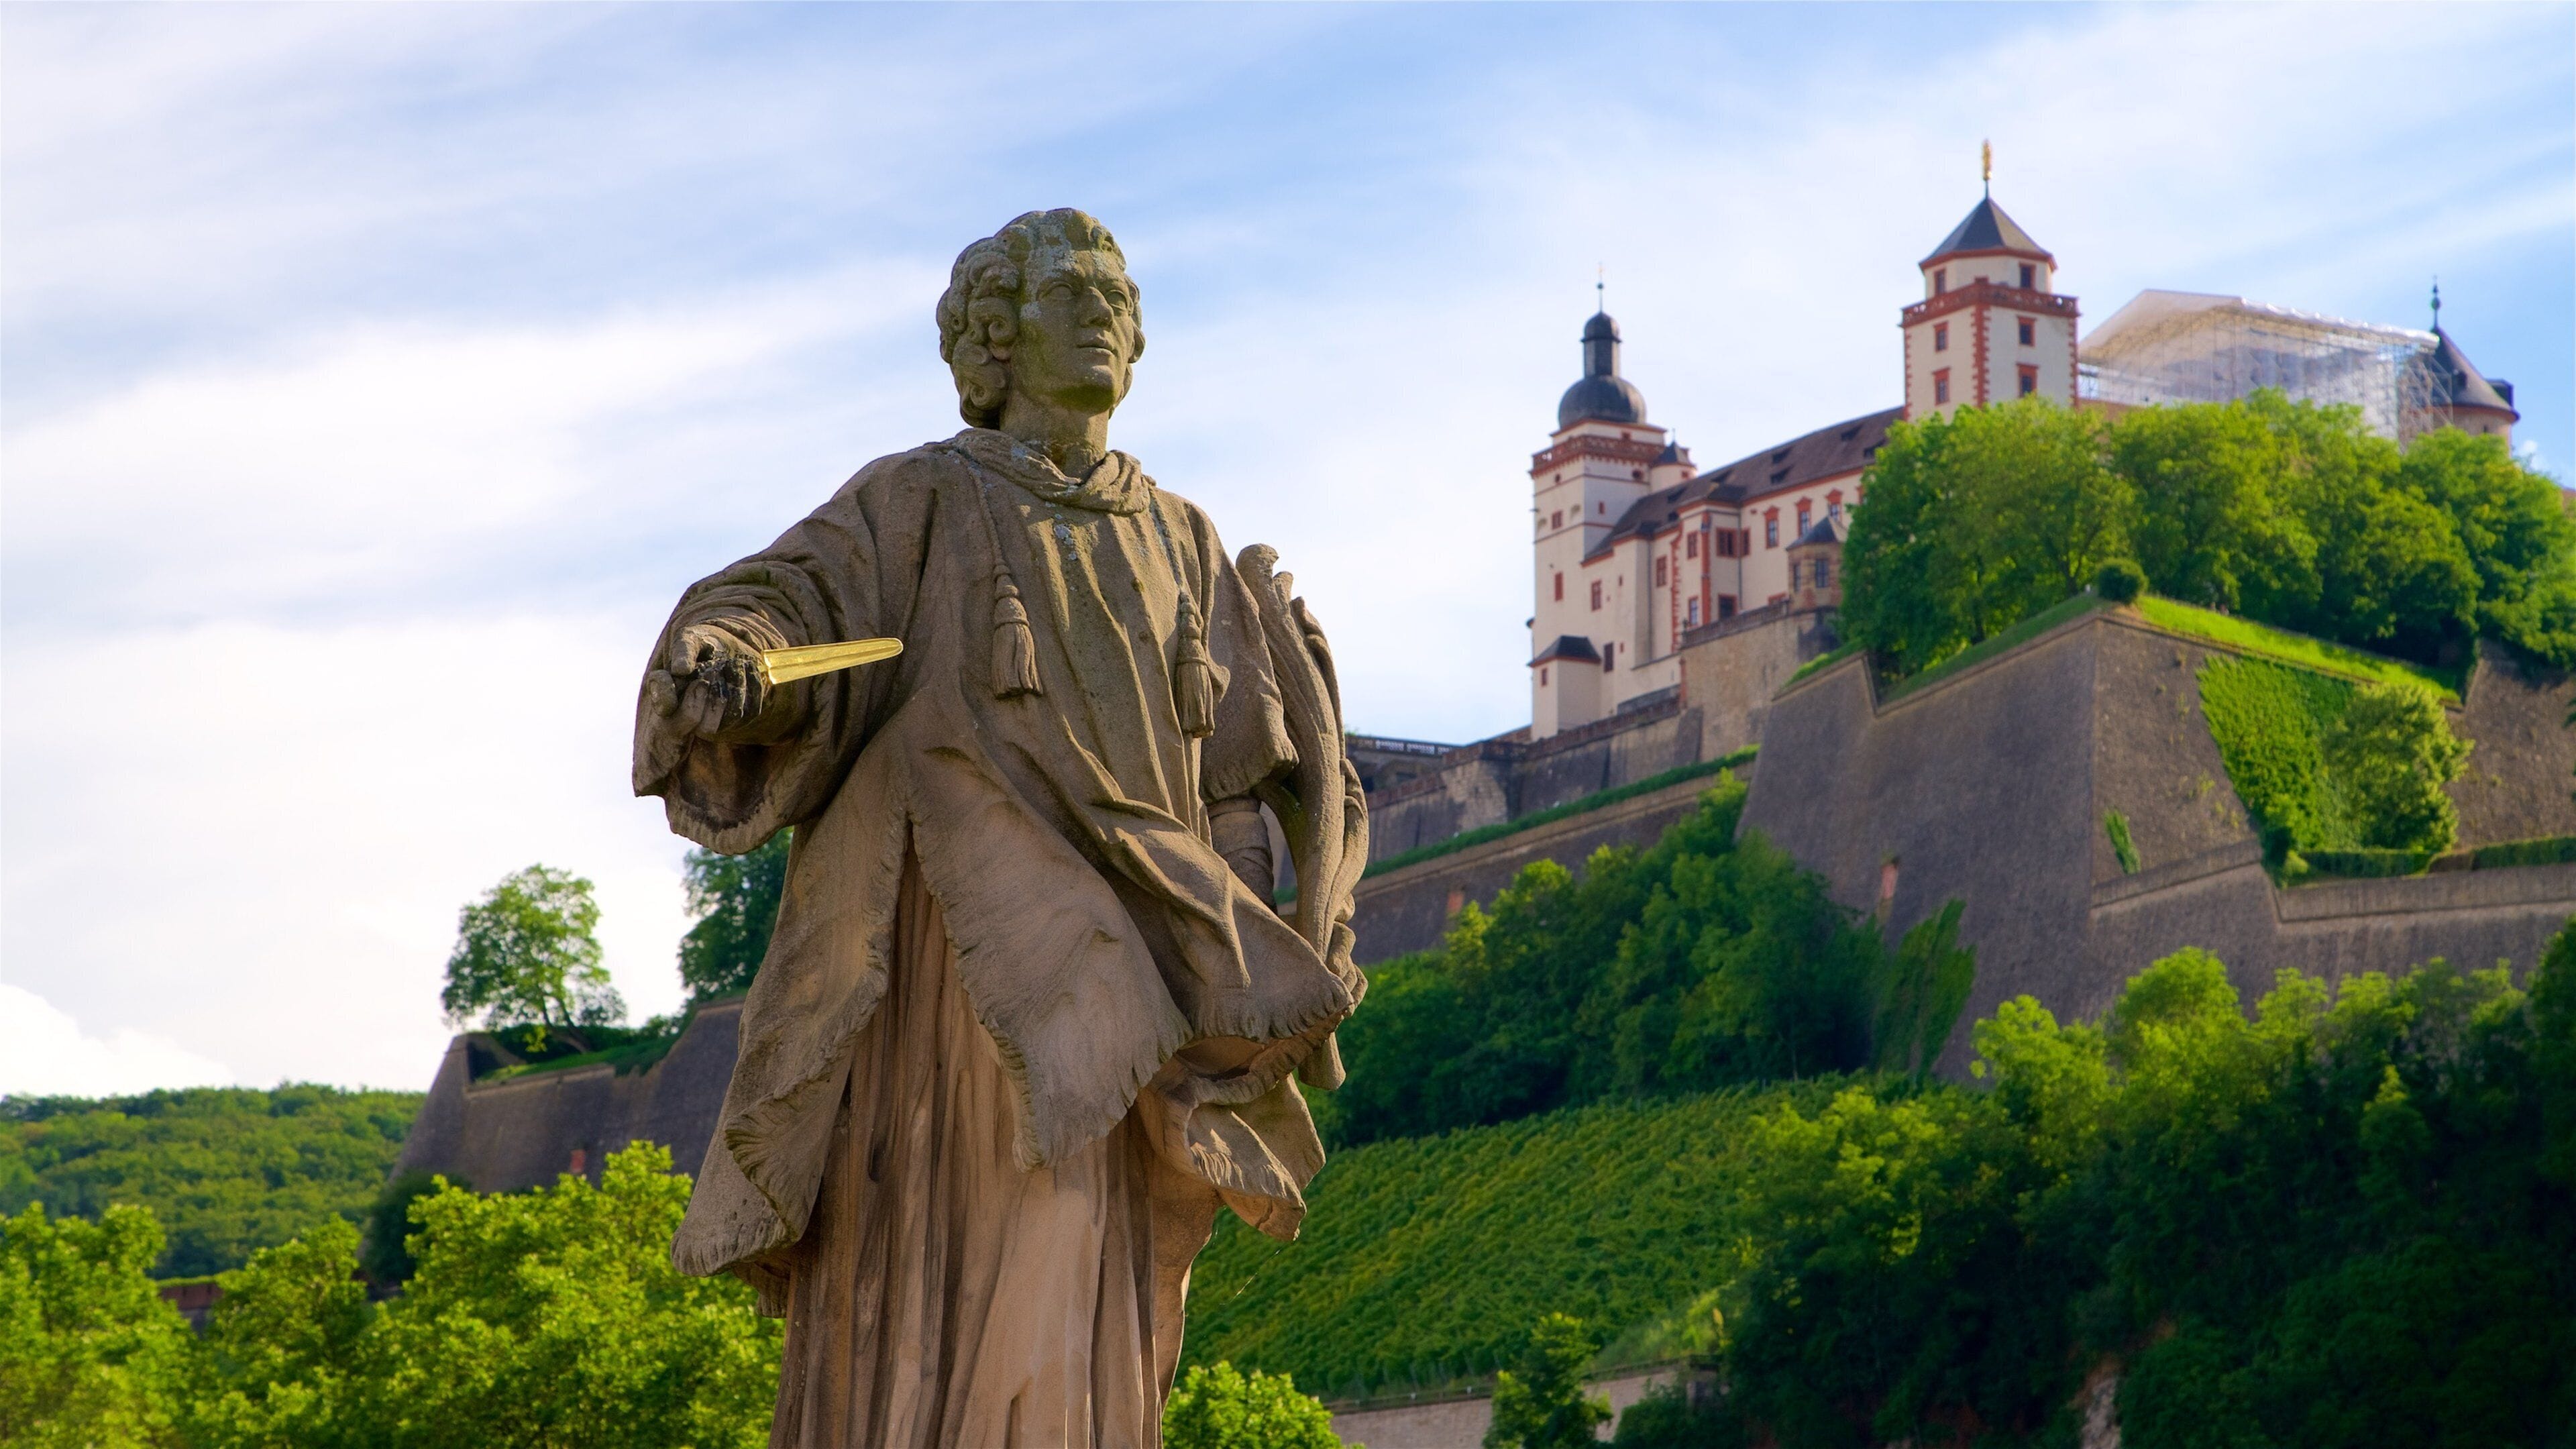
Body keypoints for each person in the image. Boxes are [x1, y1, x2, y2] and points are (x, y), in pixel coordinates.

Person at [634, 209, 1366, 1448]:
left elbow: (1236, 785)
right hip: (958, 976)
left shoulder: (1181, 535)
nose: (1102, 312)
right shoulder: (918, 500)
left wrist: (1248, 955)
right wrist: (730, 657)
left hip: (1139, 967)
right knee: (966, 1254)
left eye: (1118, 296)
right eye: (1069, 291)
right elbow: (781, 602)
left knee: (1102, 1295)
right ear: (993, 338)